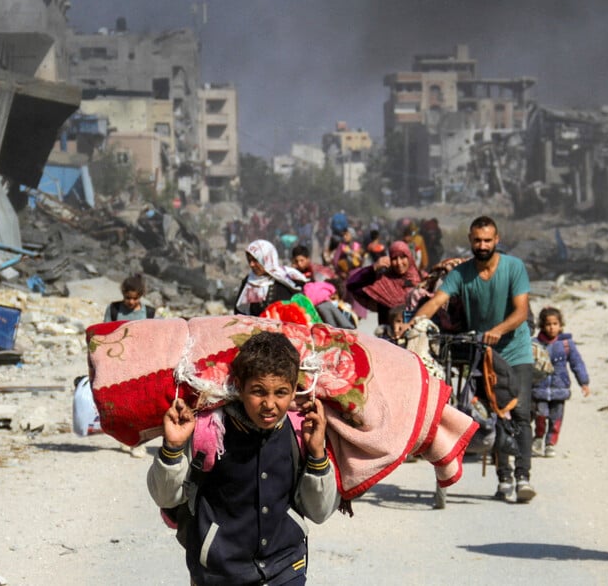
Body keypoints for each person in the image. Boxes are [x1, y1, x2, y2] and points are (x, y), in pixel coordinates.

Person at [147, 332, 339, 585]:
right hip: (218, 571)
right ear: (239, 385)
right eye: (258, 391)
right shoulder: (210, 430)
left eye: (281, 392)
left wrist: (316, 455)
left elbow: (320, 512)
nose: (269, 404)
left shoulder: (301, 432)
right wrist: (173, 447)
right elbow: (166, 497)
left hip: (286, 567)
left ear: (294, 389)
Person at [410, 215, 536, 504]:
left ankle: (523, 476)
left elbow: (520, 312)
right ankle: (504, 477)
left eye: (487, 240)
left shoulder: (514, 268)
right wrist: (414, 324)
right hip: (482, 352)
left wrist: (498, 330)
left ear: (497, 240)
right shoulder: (461, 274)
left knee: (520, 412)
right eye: (477, 240)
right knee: (493, 413)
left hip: (515, 351)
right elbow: (436, 301)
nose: (482, 245)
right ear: (470, 240)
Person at [531, 307, 590, 458]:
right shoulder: (535, 344)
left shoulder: (566, 344)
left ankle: (550, 443)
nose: (552, 327)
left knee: (556, 418)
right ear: (542, 326)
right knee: (541, 415)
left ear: (561, 325)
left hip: (560, 388)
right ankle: (538, 439)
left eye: (555, 323)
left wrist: (584, 382)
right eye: (548, 324)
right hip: (540, 388)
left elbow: (577, 363)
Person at [346, 240, 423, 327]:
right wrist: (373, 268)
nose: (399, 263)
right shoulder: (383, 283)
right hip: (388, 338)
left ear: (409, 257)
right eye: (394, 258)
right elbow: (352, 284)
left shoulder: (422, 279)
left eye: (402, 257)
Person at [233, 240, 306, 316]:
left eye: (255, 260)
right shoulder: (249, 281)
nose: (251, 264)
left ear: (266, 259)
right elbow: (239, 312)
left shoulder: (284, 281)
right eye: (249, 260)